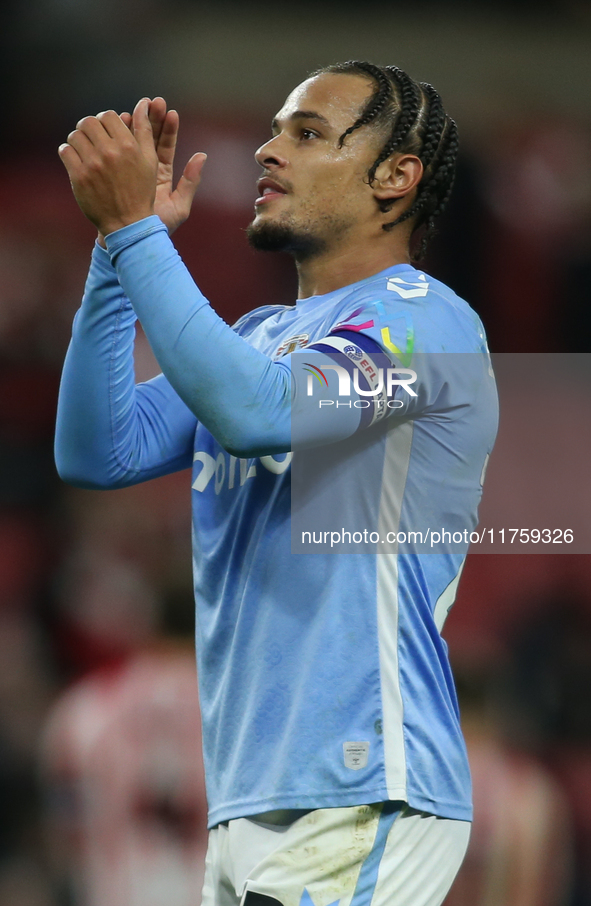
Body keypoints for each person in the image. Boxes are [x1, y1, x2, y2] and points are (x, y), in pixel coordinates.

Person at [55, 61, 498, 906]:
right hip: (248, 795)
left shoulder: (427, 325)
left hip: (364, 786)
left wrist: (141, 239)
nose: (266, 149)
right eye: (273, 128)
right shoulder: (260, 334)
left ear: (395, 179)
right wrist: (117, 251)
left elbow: (257, 415)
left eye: (306, 133)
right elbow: (98, 449)